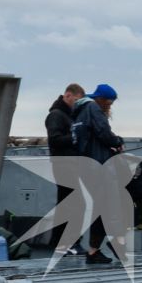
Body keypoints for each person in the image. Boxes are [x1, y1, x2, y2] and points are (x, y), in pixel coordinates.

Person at [73, 83, 124, 265]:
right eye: (108, 103)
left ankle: (94, 251)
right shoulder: (93, 108)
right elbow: (104, 133)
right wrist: (118, 141)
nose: (109, 107)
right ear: (100, 99)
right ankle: (114, 242)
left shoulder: (79, 111)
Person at [42, 84, 87, 251]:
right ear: (67, 95)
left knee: (67, 203)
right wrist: (75, 136)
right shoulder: (56, 115)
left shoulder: (68, 116)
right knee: (76, 204)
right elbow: (54, 139)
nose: (77, 104)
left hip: (71, 164)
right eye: (76, 100)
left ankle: (59, 242)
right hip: (63, 164)